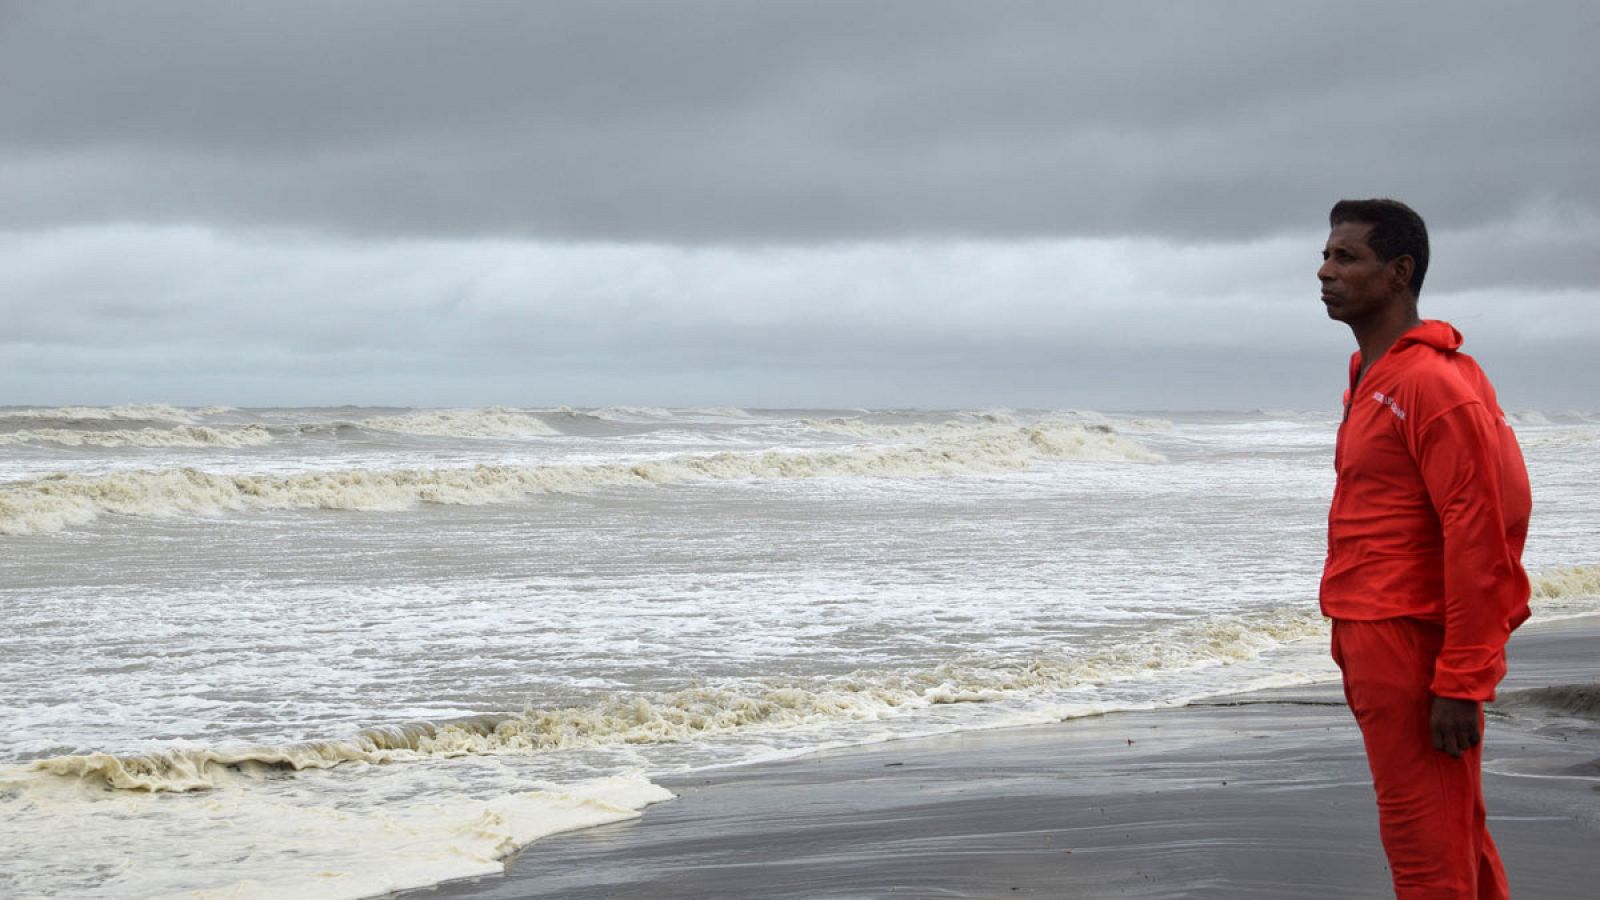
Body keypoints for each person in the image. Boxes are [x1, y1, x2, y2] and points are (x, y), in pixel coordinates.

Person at [1317, 198, 1531, 899]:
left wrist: (1462, 679)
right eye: (1327, 255)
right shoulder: (1370, 374)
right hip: (1372, 633)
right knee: (1455, 839)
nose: (1325, 271)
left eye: (1346, 257)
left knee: (1424, 853)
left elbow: (1484, 530)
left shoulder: (1430, 384)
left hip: (1411, 641)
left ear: (1399, 272)